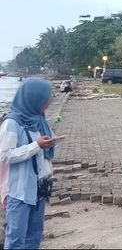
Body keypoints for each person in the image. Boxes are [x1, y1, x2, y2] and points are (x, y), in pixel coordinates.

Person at [0, 78, 57, 249]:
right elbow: (4, 156)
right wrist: (36, 146)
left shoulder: (39, 120)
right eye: (46, 99)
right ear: (34, 98)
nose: (48, 102)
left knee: (34, 237)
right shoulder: (12, 123)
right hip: (20, 192)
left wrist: (48, 144)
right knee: (16, 240)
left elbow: (43, 153)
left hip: (39, 189)